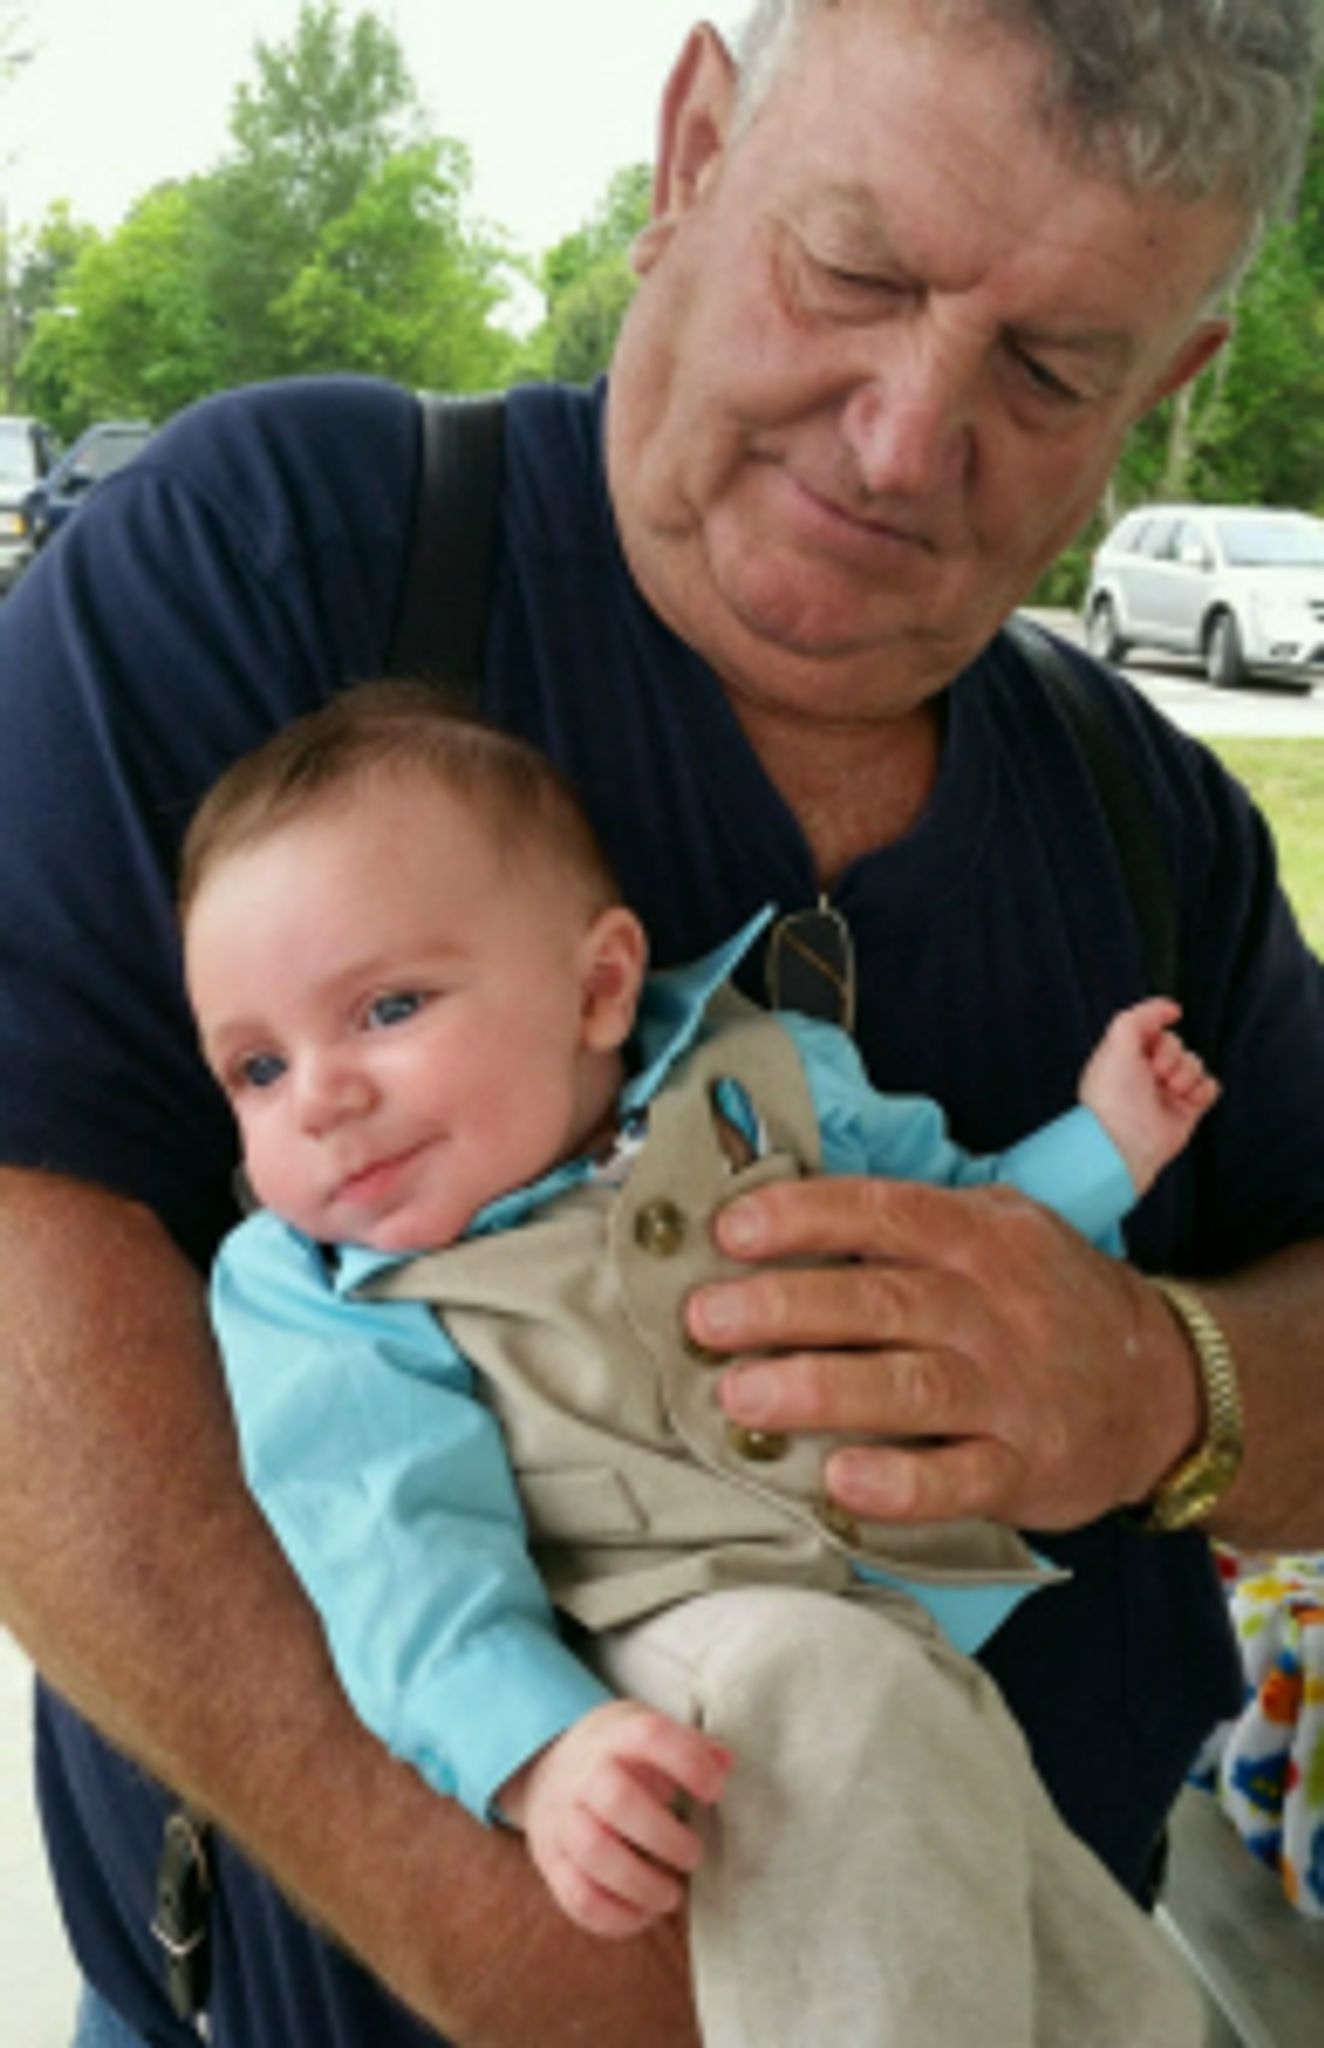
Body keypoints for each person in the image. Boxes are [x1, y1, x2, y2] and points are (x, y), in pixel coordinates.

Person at [0, 2, 1321, 2043]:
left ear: (1166, 386)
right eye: (855, 270)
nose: (905, 436)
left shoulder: (1160, 830)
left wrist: (1163, 1383)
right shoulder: (279, 555)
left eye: (1051, 370)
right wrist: (534, 1948)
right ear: (694, 148)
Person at [179, 686, 1217, 2044]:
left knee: (1080, 1962)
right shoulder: (321, 1284)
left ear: (600, 986)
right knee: (829, 1708)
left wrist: (1104, 1149)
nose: (320, 1096)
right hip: (638, 1641)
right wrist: (538, 1749)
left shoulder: (759, 1081)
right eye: (256, 1069)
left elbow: (968, 1253)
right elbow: (395, 1545)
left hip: (891, 1640)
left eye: (387, 1007)